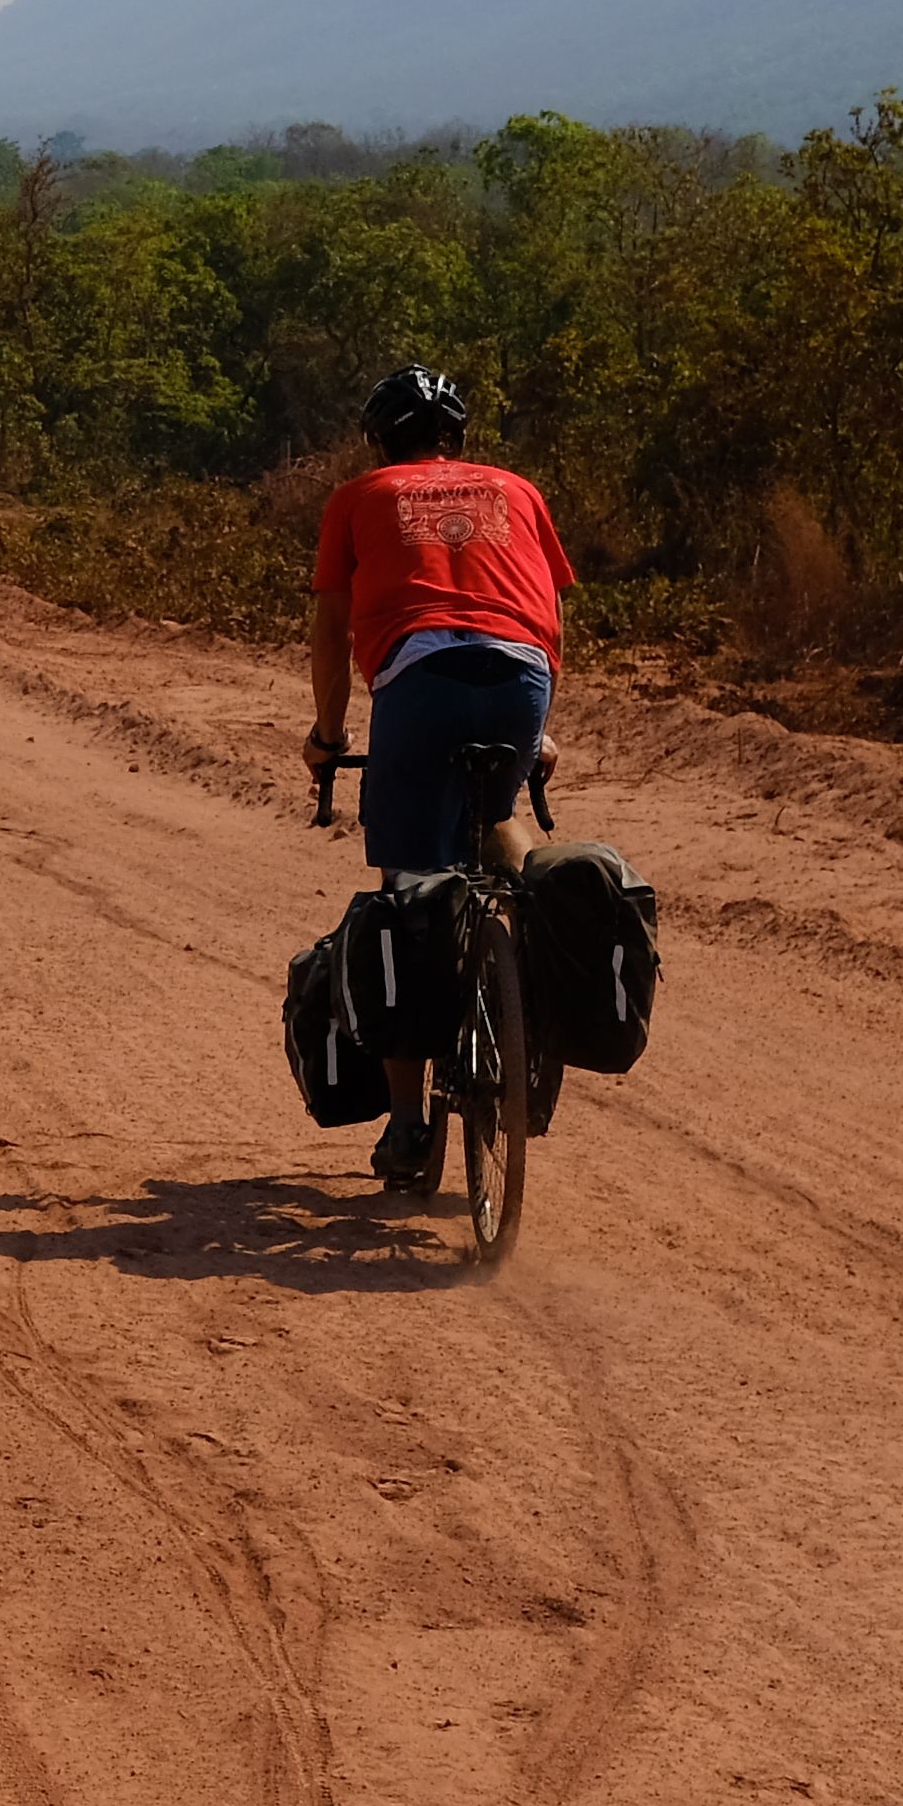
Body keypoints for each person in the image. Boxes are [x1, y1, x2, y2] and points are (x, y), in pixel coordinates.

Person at [305, 362, 571, 1191]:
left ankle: (409, 1127)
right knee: (499, 817)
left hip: (419, 684)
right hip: (523, 677)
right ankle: (530, 964)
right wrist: (539, 728)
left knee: (409, 888)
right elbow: (546, 610)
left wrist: (328, 735)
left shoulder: (358, 496)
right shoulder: (517, 490)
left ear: (382, 440)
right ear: (458, 438)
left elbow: (331, 623)